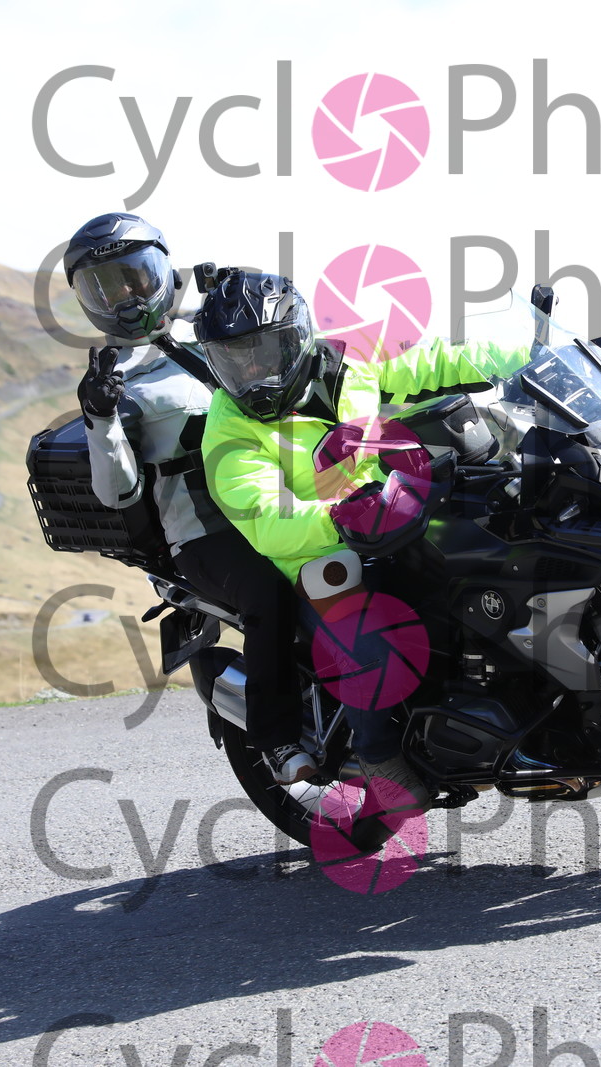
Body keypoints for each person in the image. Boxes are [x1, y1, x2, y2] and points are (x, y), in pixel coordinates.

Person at [196, 271, 530, 807]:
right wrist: (339, 518)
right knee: (373, 643)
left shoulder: (350, 360)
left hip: (394, 513)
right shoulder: (229, 428)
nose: (253, 373)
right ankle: (380, 759)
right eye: (234, 361)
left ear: (296, 339)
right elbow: (267, 519)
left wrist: (527, 357)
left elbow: (436, 362)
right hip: (320, 553)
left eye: (263, 353)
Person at [63, 213, 316, 785]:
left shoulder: (213, 328)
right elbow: (115, 491)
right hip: (206, 533)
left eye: (136, 276)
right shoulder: (116, 379)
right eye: (106, 287)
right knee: (271, 596)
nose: (128, 298)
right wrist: (101, 417)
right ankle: (277, 740)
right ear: (89, 301)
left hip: (280, 496)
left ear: (162, 271)